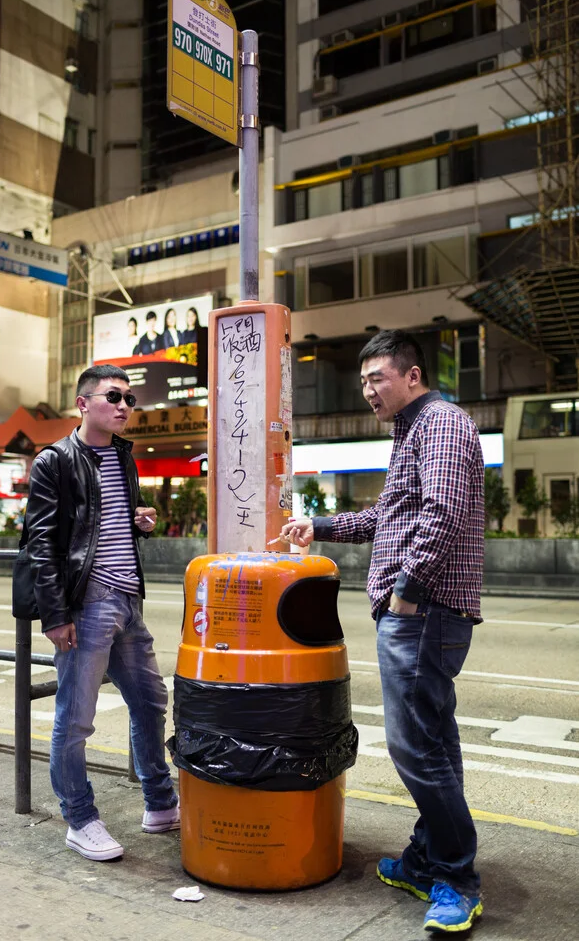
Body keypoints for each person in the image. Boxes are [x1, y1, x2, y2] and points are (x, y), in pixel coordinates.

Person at [281, 329, 484, 935]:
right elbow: (388, 516)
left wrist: (407, 592)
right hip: (420, 613)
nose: (369, 390)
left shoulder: (440, 424)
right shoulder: (413, 430)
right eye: (363, 380)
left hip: (423, 614)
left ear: (412, 375)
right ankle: (428, 857)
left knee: (414, 747)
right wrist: (317, 525)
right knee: (434, 742)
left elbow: (440, 514)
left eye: (379, 379)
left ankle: (457, 876)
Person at [26, 364, 179, 862]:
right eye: (114, 396)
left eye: (130, 400)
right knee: (76, 719)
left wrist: (139, 520)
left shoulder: (124, 456)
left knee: (151, 703)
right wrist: (55, 615)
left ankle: (160, 802)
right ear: (83, 403)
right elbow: (42, 544)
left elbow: (104, 522)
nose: (124, 406)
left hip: (128, 600)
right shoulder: (55, 461)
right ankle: (80, 818)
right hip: (85, 604)